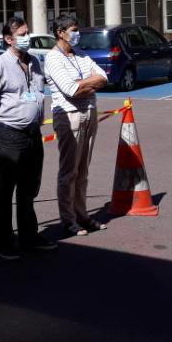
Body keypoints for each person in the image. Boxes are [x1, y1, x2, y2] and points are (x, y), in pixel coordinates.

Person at [0, 17, 57, 259]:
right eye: (22, 34)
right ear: (8, 39)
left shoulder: (34, 62)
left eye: (28, 32)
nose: (27, 37)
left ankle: (28, 237)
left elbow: (37, 93)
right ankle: (3, 242)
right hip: (8, 136)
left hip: (32, 135)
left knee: (28, 189)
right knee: (5, 190)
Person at [43, 14, 109, 237]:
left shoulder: (80, 54)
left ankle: (82, 215)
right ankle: (69, 220)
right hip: (69, 117)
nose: (77, 34)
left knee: (83, 171)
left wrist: (84, 85)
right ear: (61, 33)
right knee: (69, 172)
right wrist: (89, 84)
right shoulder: (53, 59)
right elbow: (71, 90)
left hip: (89, 113)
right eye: (74, 30)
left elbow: (103, 77)